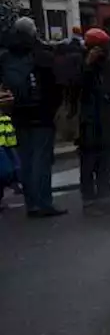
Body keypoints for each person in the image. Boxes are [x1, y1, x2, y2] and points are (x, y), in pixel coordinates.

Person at [1, 16, 66, 218]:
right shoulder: (41, 54)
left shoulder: (6, 56)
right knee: (42, 159)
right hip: (42, 114)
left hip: (18, 114)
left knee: (26, 160)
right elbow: (56, 83)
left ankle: (31, 203)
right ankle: (44, 202)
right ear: (33, 31)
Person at [77, 27, 110, 215]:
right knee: (89, 161)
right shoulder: (81, 63)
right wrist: (87, 66)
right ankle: (89, 201)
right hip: (89, 120)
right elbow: (75, 87)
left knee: (106, 159)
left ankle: (104, 197)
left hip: (107, 118)